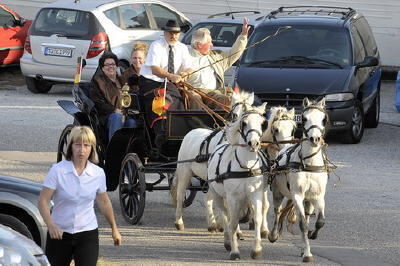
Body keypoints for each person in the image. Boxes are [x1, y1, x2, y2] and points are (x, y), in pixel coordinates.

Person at [38, 126, 121, 266]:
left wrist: (114, 228)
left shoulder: (98, 173)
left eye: (86, 145)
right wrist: (51, 225)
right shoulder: (58, 170)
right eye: (77, 145)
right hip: (59, 233)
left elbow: (104, 202)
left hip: (87, 233)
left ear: (91, 149)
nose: (81, 150)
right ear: (71, 147)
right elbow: (43, 201)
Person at [138, 19, 193, 148]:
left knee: (179, 100)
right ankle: (160, 134)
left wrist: (185, 75)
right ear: (165, 32)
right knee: (161, 101)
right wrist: (171, 76)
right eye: (170, 33)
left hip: (169, 82)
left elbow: (190, 68)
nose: (173, 36)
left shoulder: (182, 48)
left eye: (176, 33)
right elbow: (155, 69)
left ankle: (179, 134)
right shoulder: (156, 45)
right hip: (151, 81)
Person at [186, 18, 250, 109]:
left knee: (225, 99)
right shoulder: (185, 56)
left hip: (212, 93)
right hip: (193, 92)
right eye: (209, 42)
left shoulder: (216, 57)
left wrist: (243, 36)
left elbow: (234, 53)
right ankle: (198, 122)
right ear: (199, 45)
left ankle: (223, 122)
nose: (212, 45)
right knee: (194, 98)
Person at [91, 52, 136, 141]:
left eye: (112, 64)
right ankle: (114, 150)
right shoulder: (98, 81)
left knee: (132, 122)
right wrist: (114, 110)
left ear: (116, 66)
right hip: (106, 116)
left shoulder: (122, 80)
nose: (110, 66)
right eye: (107, 65)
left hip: (125, 114)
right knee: (117, 117)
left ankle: (128, 150)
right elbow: (97, 102)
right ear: (102, 68)